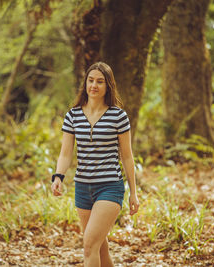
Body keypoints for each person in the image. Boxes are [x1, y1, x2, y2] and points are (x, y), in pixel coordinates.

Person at [51, 62, 140, 267]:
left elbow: (127, 156)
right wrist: (58, 176)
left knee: (89, 244)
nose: (94, 85)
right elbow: (65, 154)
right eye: (91, 80)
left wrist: (133, 192)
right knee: (99, 247)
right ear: (85, 83)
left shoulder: (118, 116)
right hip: (82, 188)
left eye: (100, 81)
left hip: (110, 187)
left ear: (108, 86)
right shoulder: (73, 115)